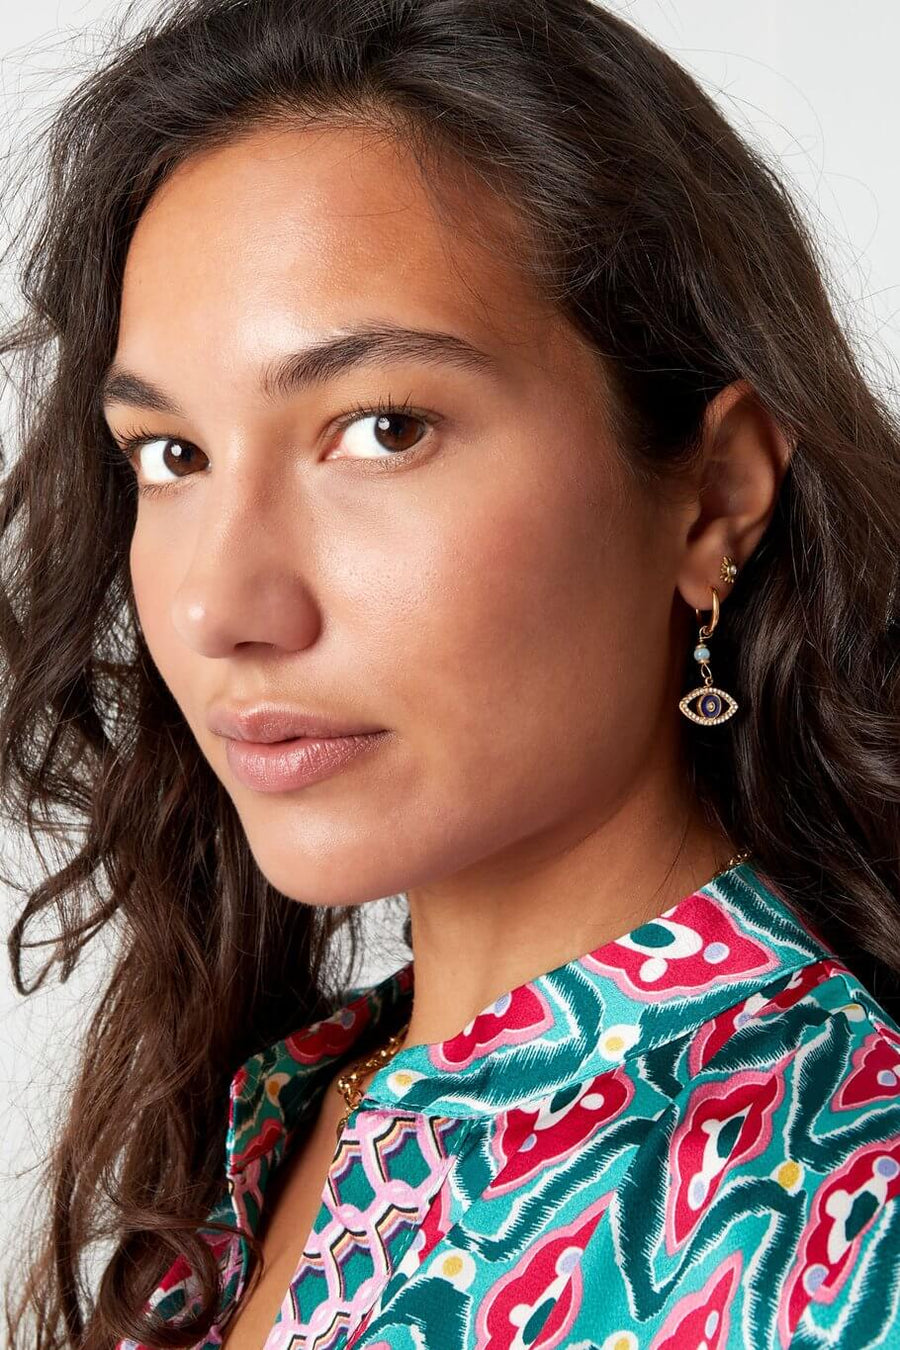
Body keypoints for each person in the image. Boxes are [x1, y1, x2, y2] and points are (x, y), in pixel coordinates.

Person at [1, 0, 899, 1347]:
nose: (219, 607)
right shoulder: (286, 1108)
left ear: (713, 494)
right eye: (172, 456)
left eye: (383, 429)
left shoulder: (842, 1220)